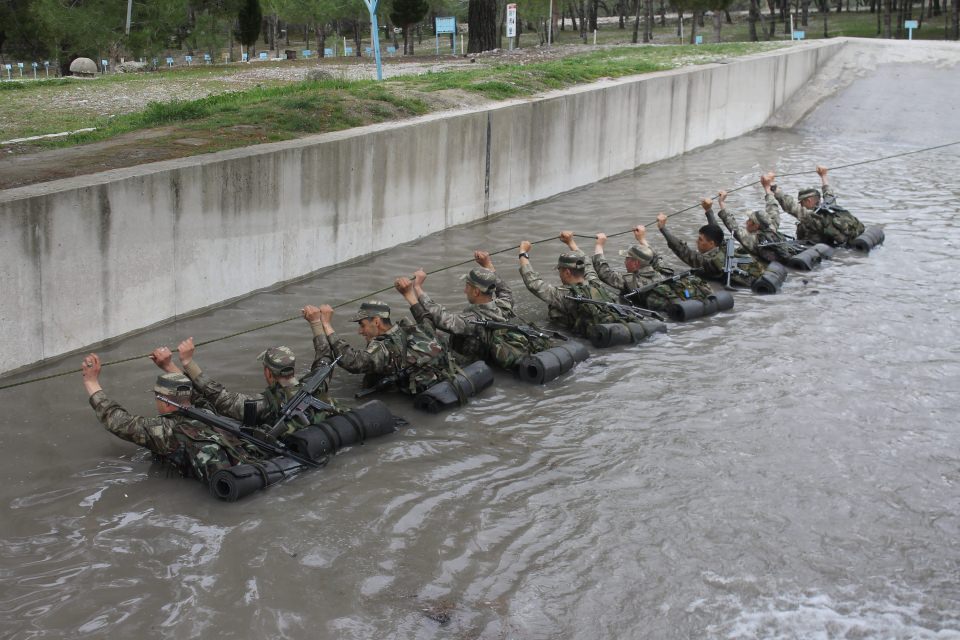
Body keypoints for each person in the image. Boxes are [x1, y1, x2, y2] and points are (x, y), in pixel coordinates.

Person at [81, 353, 265, 483]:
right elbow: (195, 395)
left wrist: (91, 382)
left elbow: (118, 421)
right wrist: (168, 364)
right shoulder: (208, 412)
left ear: (166, 402)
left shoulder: (165, 430)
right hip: (249, 467)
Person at [175, 307, 342, 438]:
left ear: (268, 373)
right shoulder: (317, 385)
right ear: (292, 369)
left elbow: (222, 400)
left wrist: (188, 363)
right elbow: (325, 358)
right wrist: (316, 323)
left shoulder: (265, 404)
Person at [396, 257, 552, 371]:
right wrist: (488, 266)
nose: (465, 290)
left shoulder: (471, 321)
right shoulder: (504, 306)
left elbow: (441, 318)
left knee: (427, 334)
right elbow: (505, 290)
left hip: (466, 366)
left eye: (467, 286)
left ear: (476, 291)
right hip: (487, 361)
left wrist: (416, 289)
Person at [315, 300, 457, 395]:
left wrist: (326, 325)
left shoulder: (383, 349)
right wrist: (409, 295)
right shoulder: (415, 329)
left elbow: (352, 362)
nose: (360, 331)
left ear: (376, 322)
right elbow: (427, 319)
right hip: (445, 381)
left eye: (362, 325)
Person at [519, 231, 643, 337]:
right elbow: (587, 261)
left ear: (567, 272)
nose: (559, 273)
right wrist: (570, 242)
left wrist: (523, 253)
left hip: (577, 337)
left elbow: (533, 283)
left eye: (560, 270)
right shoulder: (595, 283)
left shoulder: (562, 295)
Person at [592, 225, 714, 312]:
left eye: (627, 258)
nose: (625, 261)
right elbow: (656, 257)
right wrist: (641, 239)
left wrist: (599, 246)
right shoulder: (662, 272)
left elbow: (604, 272)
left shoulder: (631, 281)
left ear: (635, 264)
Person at [656, 212, 766, 288]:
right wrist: (708, 211)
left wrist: (663, 228)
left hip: (750, 284)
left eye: (700, 240)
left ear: (711, 243)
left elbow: (684, 251)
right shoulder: (724, 248)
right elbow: (717, 232)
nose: (696, 242)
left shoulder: (709, 262)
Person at [769, 164, 865, 246]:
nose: (801, 205)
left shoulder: (814, 217)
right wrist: (823, 176)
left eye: (802, 202)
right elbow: (828, 193)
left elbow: (790, 206)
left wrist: (772, 185)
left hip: (813, 249)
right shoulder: (829, 208)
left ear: (809, 201)